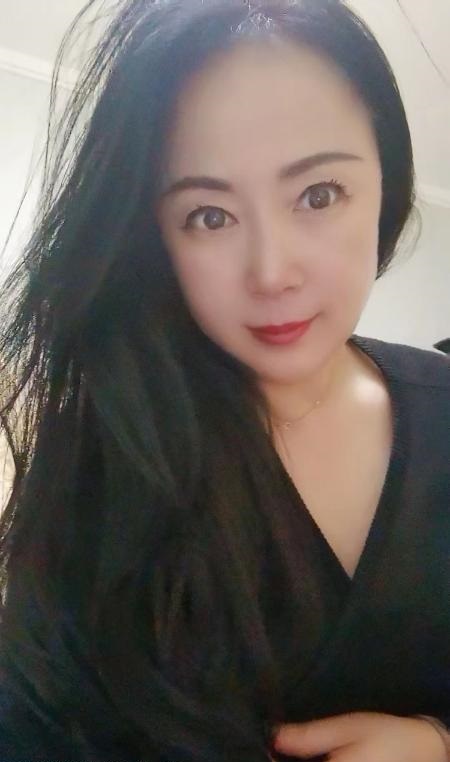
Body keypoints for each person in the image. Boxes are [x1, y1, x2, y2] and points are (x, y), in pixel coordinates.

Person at [0, 0, 448, 760]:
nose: (271, 273)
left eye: (318, 195)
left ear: (387, 184)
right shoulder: (102, 452)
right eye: (209, 215)